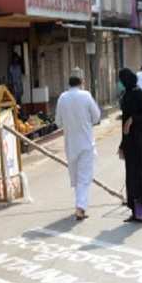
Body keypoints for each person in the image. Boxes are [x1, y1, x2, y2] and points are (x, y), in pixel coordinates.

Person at [55, 67, 101, 221]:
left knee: (76, 178)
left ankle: (79, 205)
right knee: (84, 178)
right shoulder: (86, 96)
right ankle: (80, 208)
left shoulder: (62, 98)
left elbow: (58, 122)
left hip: (70, 144)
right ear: (82, 82)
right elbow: (96, 117)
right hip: (86, 143)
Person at [118, 68, 142, 223]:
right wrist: (122, 145)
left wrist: (133, 120)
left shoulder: (138, 92)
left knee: (141, 174)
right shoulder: (125, 95)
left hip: (141, 140)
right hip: (130, 141)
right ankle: (135, 211)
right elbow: (124, 122)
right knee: (131, 176)